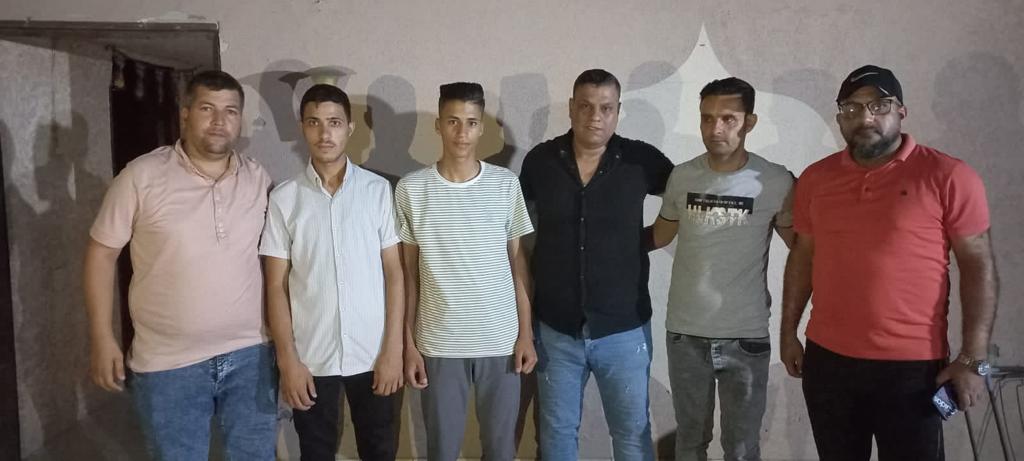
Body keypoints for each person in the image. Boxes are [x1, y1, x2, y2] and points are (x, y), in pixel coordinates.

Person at [780, 65, 999, 460]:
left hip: (912, 368)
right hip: (828, 362)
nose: (866, 117)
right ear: (840, 117)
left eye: (879, 105)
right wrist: (787, 332)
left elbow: (978, 266)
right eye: (852, 108)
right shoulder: (816, 178)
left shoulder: (948, 175)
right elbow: (803, 256)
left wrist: (973, 359)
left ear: (901, 111)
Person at [83, 70, 278, 460]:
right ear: (185, 114)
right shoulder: (141, 176)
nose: (219, 121)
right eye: (207, 109)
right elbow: (100, 255)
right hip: (168, 364)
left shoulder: (258, 178)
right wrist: (102, 336)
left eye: (230, 111)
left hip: (252, 355)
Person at [519, 68, 674, 460]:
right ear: (572, 108)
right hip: (556, 328)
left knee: (632, 433)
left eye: (606, 108)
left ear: (618, 110)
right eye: (586, 106)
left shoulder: (641, 160)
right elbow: (520, 233)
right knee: (556, 434)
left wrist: (643, 242)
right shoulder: (541, 162)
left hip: (624, 328)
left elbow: (683, 195)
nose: (595, 117)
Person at [651, 77, 794, 461]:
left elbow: (803, 249)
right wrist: (601, 243)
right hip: (685, 334)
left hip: (745, 337)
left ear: (750, 122)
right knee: (689, 444)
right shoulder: (682, 176)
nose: (715, 129)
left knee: (742, 449)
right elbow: (659, 235)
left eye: (728, 118)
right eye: (707, 118)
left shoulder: (775, 181)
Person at [260, 83, 404, 461]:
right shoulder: (284, 199)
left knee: (380, 451)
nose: (325, 133)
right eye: (314, 122)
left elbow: (394, 273)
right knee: (316, 453)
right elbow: (274, 285)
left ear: (350, 128)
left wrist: (394, 350)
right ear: (302, 128)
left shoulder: (378, 191)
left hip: (374, 353)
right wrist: (288, 361)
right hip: (310, 357)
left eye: (334, 122)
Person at [396, 82, 536, 461]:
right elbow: (408, 275)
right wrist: (409, 345)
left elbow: (518, 264)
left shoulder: (505, 184)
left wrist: (525, 334)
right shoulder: (412, 189)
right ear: (438, 125)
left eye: (471, 123)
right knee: (441, 451)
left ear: (481, 128)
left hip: (501, 341)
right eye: (453, 121)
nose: (462, 133)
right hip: (438, 343)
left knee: (501, 451)